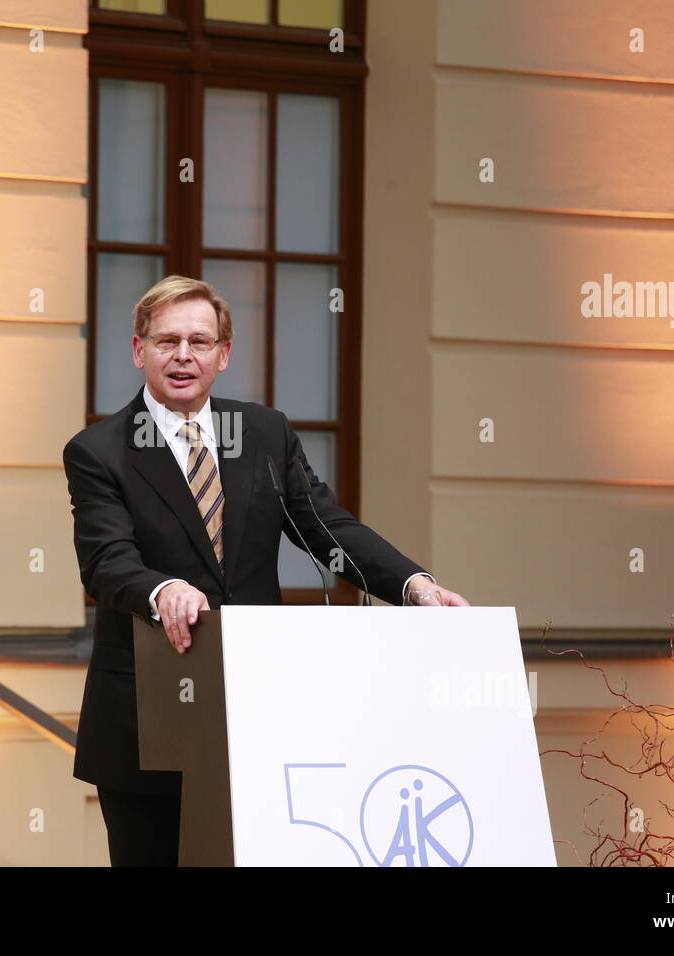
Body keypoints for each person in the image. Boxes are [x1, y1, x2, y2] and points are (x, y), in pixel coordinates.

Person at [62, 275, 470, 866]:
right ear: (138, 350)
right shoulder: (98, 451)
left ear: (224, 354)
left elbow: (326, 528)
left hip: (259, 714)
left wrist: (415, 587)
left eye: (199, 342)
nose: (183, 356)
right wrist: (163, 587)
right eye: (167, 341)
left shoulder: (264, 433)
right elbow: (105, 559)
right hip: (147, 722)